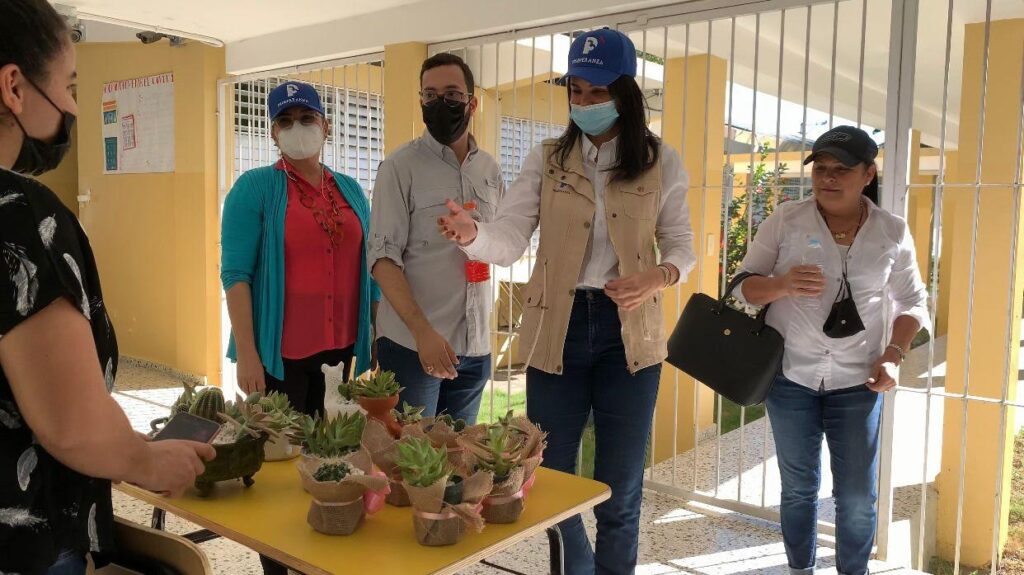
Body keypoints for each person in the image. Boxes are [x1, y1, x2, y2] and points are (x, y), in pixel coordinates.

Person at [438, 28, 696, 575]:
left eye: (598, 91)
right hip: (558, 327)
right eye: (576, 90)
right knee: (549, 481)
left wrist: (658, 277)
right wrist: (472, 235)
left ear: (625, 93)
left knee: (620, 488)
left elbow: (681, 245)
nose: (584, 102)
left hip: (631, 334)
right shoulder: (547, 159)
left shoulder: (661, 160)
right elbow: (510, 237)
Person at [0, 2, 215, 573]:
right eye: (69, 86)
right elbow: (71, 426)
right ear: (13, 86)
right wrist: (146, 462)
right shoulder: (23, 217)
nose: (74, 107)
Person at [733, 125, 929, 575]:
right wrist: (782, 285)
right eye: (820, 168)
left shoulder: (892, 231)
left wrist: (893, 355)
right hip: (790, 378)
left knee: (857, 496)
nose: (828, 178)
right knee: (798, 489)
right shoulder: (786, 220)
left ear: (868, 174)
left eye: (842, 169)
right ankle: (799, 568)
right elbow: (743, 287)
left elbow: (912, 302)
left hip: (860, 380)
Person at [221, 80, 379, 575]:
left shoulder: (349, 189)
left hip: (340, 353)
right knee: (278, 472)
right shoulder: (255, 188)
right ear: (273, 133)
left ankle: (320, 556)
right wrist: (248, 353)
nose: (298, 129)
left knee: (331, 462)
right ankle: (278, 565)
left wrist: (373, 338)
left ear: (326, 126)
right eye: (285, 122)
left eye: (307, 118)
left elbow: (371, 268)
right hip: (279, 356)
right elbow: (236, 275)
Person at [369, 53, 501, 424]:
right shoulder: (399, 167)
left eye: (452, 94)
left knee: (458, 454)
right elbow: (382, 259)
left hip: (474, 349)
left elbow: (499, 241)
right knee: (411, 455)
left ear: (472, 103)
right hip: (413, 348)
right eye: (430, 95)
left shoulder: (489, 170)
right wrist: (423, 333)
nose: (440, 103)